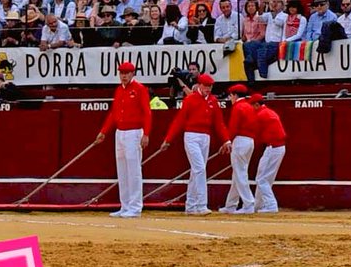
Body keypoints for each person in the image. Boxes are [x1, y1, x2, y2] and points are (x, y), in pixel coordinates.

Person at [159, 72, 226, 215]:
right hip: (192, 136)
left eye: (210, 86)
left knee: (197, 171)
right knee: (200, 169)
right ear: (199, 85)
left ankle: (190, 205)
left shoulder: (213, 101)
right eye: (206, 86)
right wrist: (168, 139)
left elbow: (219, 123)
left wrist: (226, 140)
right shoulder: (190, 100)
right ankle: (201, 204)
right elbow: (179, 120)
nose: (208, 88)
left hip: (205, 137)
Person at [95, 61, 151, 218]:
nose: (123, 76)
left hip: (134, 132)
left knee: (133, 170)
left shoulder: (140, 89)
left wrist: (146, 133)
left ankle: (135, 206)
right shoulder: (119, 90)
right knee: (122, 170)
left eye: (126, 73)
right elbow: (114, 113)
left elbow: (147, 112)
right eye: (121, 73)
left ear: (132, 74)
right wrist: (104, 131)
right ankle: (125, 205)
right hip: (120, 132)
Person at [220, 82, 257, 214]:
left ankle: (249, 203)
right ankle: (231, 205)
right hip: (250, 141)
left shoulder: (238, 107)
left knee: (240, 173)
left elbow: (233, 127)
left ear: (235, 95)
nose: (230, 99)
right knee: (238, 173)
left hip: (240, 141)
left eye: (230, 96)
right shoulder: (249, 107)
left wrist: (227, 141)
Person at [252, 95, 287, 214]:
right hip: (278, 147)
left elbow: (256, 134)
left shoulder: (261, 115)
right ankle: (258, 205)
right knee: (265, 178)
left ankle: (271, 205)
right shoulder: (270, 112)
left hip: (273, 147)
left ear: (256, 105)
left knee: (261, 179)